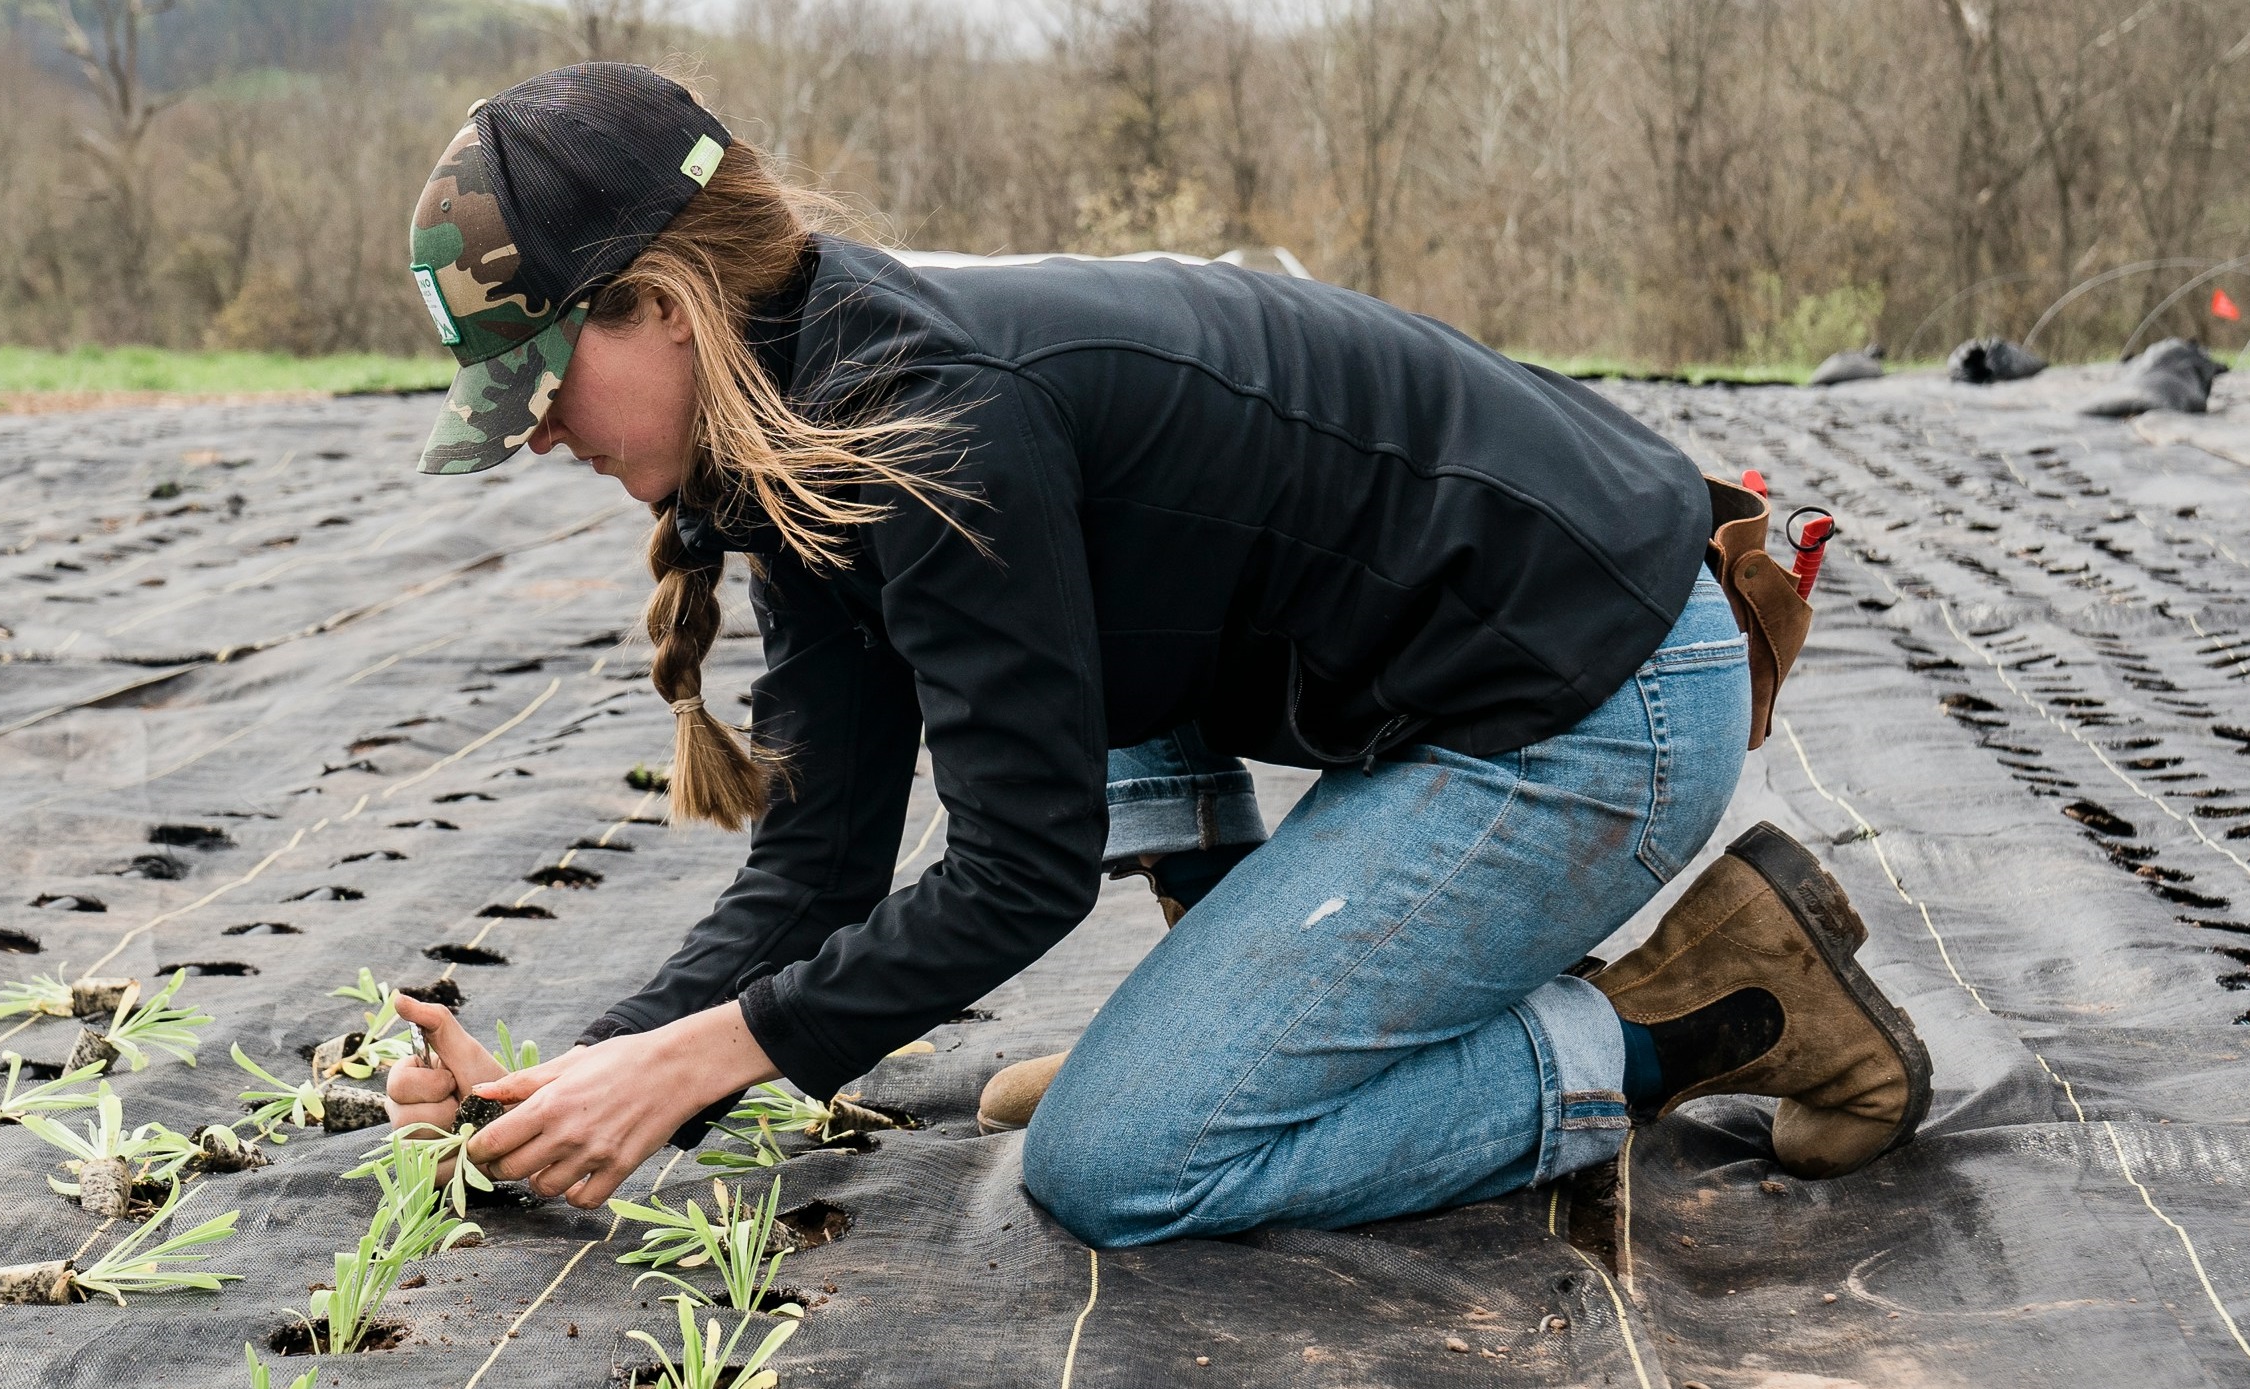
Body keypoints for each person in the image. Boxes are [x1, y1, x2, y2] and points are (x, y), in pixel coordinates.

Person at [378, 62, 1931, 1245]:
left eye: (542, 385)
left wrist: (698, 1058)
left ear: (658, 304)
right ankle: (1226, 1018)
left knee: (1120, 1162)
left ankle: (1703, 1010)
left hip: (1596, 699)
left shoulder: (933, 423)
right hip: (1482, 659)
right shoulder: (794, 430)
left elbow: (1019, 870)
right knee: (1067, 676)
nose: (536, 436)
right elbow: (817, 867)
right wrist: (563, 1082)